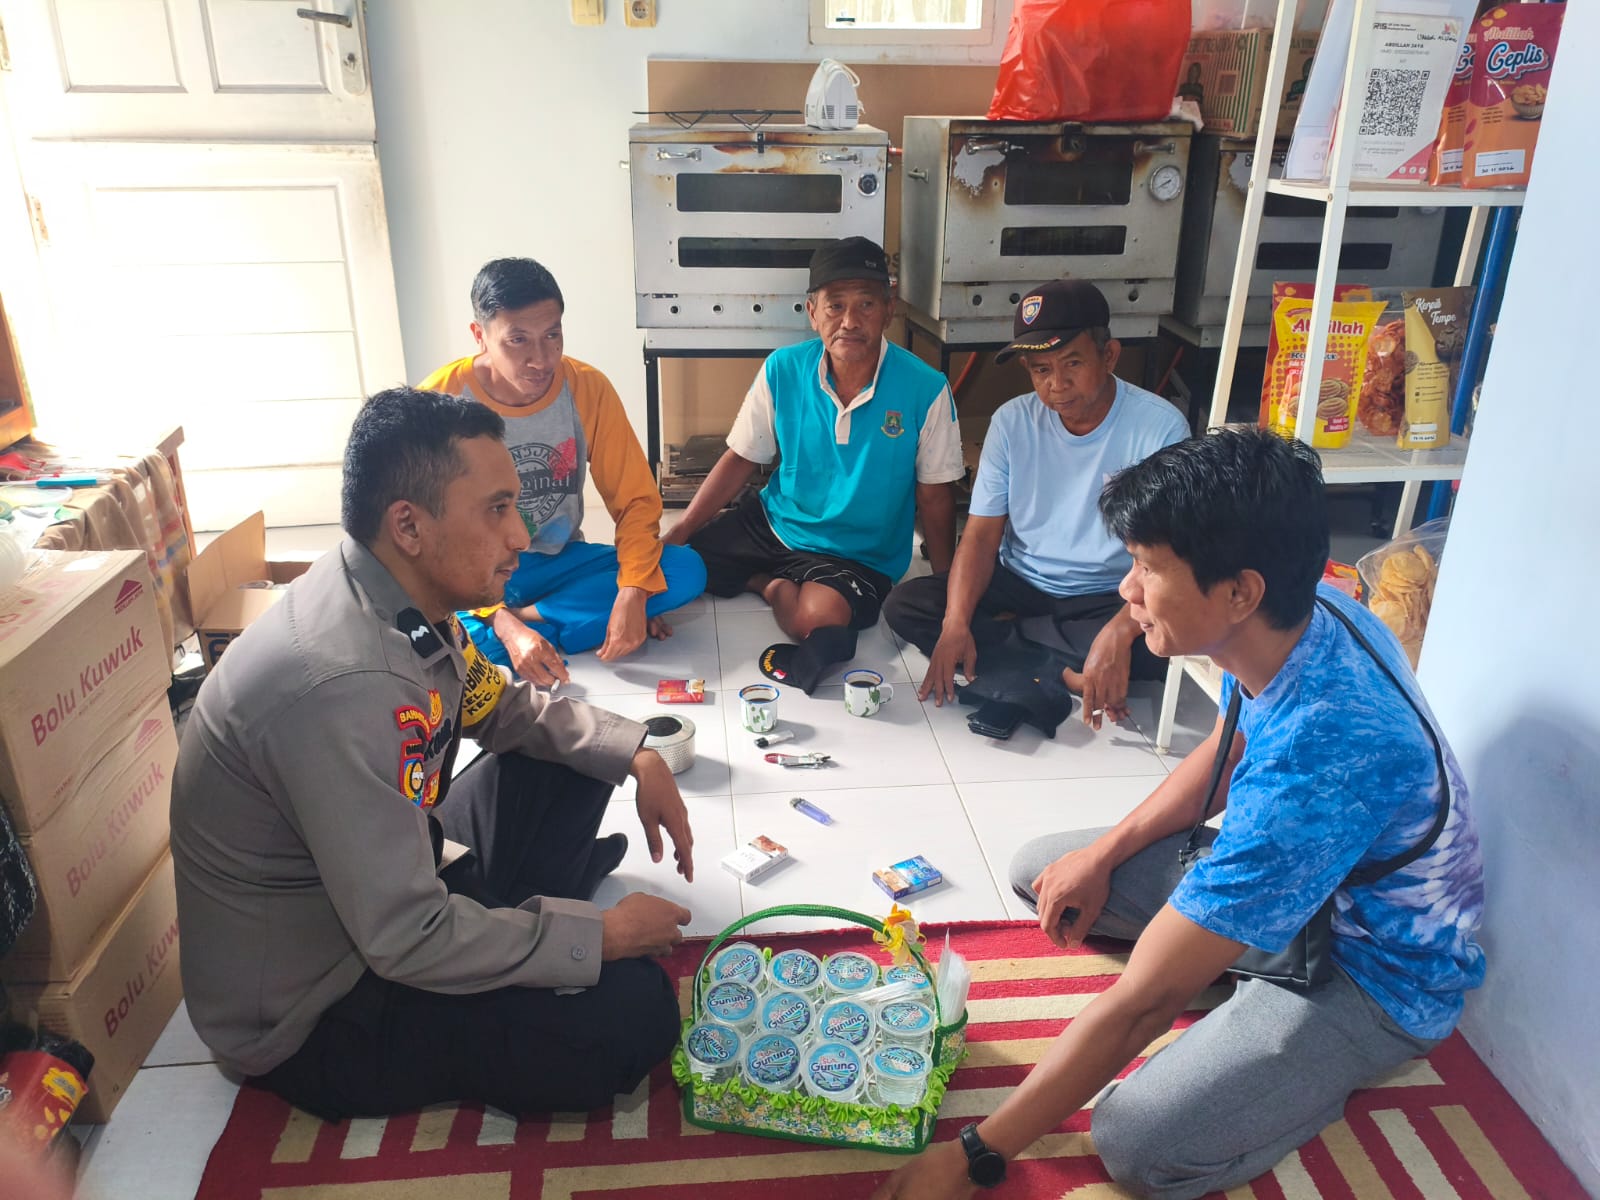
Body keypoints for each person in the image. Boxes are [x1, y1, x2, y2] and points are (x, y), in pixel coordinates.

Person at [873, 429, 1485, 1199]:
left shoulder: (1320, 762)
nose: (1126, 590)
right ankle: (1232, 965)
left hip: (1369, 974)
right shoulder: (1307, 613)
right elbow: (1228, 752)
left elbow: (1144, 1006)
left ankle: (1308, 1057)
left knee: (1137, 1142)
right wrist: (1104, 854)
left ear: (1240, 593)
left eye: (1148, 568)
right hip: (1299, 894)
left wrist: (973, 1156)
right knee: (1050, 871)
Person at [171, 387, 697, 1121]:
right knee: (637, 1012)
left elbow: (500, 707)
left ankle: (518, 920)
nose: (520, 535)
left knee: (577, 758)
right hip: (320, 1000)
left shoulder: (394, 592)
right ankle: (530, 924)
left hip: (382, 879)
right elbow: (405, 936)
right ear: (409, 526)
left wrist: (638, 752)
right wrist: (598, 937)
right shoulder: (340, 683)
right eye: (496, 510)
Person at [882, 280, 1189, 730]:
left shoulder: (1160, 428)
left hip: (1109, 593)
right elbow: (981, 535)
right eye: (1041, 369)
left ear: (1109, 356)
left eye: (1073, 363)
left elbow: (1169, 557)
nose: (1056, 385)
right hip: (1021, 582)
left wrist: (1120, 631)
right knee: (908, 606)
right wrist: (955, 623)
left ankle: (1036, 651)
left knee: (1165, 641)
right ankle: (1065, 668)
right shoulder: (1012, 422)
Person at [664, 237, 964, 692]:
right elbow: (742, 457)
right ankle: (765, 574)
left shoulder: (926, 387)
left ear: (889, 309)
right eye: (835, 305)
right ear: (812, 312)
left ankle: (768, 585)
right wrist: (682, 529)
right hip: (777, 524)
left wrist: (945, 591)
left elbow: (935, 496)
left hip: (857, 552)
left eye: (866, 304)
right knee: (681, 565)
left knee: (815, 620)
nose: (850, 321)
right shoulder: (783, 369)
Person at [420, 257, 706, 685]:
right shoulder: (440, 402)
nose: (541, 359)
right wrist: (499, 619)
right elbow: (429, 537)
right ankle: (551, 626)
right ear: (480, 336)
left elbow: (635, 501)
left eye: (552, 335)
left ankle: (536, 624)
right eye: (518, 340)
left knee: (686, 570)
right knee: (440, 636)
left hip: (559, 562)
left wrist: (632, 591)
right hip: (477, 573)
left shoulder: (587, 387)